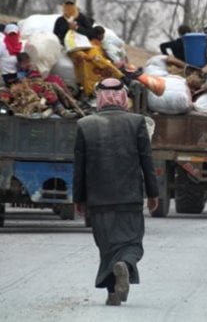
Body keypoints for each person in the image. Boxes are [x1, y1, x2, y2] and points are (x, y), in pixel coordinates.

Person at [73, 78, 159, 306]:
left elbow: (79, 167)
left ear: (99, 97)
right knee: (132, 244)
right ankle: (126, 266)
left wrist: (79, 199)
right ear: (123, 96)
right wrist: (153, 194)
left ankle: (112, 293)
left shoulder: (84, 124)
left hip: (98, 200)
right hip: (129, 197)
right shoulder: (138, 122)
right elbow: (146, 162)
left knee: (107, 247)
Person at [68, 26, 124, 97]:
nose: (103, 37)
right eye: (103, 35)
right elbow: (102, 62)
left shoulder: (90, 46)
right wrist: (119, 74)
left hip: (88, 81)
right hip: (93, 83)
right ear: (99, 35)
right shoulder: (94, 48)